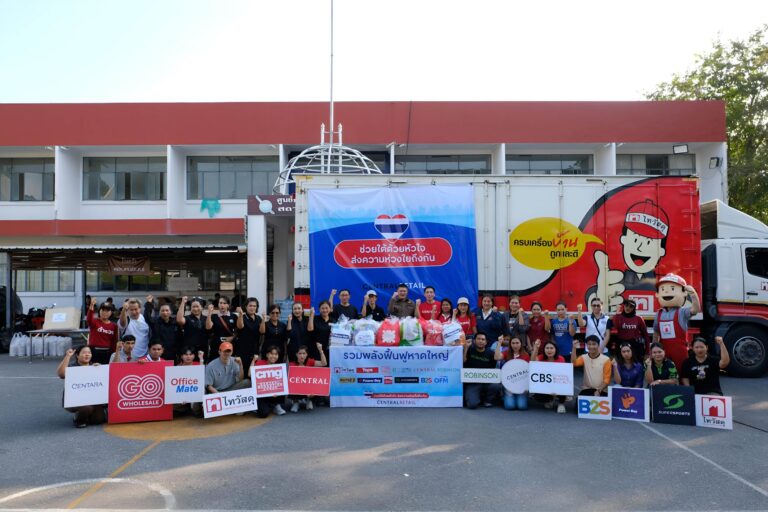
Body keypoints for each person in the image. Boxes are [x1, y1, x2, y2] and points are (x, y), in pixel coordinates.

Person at [652, 273, 701, 370]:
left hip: (680, 352)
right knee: (664, 375)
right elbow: (656, 332)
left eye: (672, 288)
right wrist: (654, 348)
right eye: (662, 289)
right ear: (657, 294)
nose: (666, 292)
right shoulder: (659, 313)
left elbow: (695, 310)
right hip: (663, 351)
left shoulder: (682, 312)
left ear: (683, 293)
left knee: (683, 374)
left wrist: (693, 294)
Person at [56, 346, 106, 428]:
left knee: (98, 420)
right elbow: (61, 374)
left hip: (92, 399)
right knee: (87, 408)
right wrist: (68, 356)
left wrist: (101, 370)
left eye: (89, 353)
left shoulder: (94, 366)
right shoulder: (72, 367)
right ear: (77, 355)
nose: (87, 355)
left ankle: (87, 415)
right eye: (84, 353)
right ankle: (78, 419)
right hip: (74, 400)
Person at [462, 333, 501, 409]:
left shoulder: (490, 353)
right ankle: (477, 396)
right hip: (473, 383)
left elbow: (497, 358)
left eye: (483, 339)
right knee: (472, 405)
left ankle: (487, 400)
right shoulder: (470, 350)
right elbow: (464, 361)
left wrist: (499, 343)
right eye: (478, 339)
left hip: (487, 381)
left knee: (496, 385)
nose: (481, 341)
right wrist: (466, 347)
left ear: (486, 342)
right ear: (474, 341)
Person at [287, 343, 328, 413]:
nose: (302, 356)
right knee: (292, 383)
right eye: (300, 353)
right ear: (296, 354)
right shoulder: (292, 365)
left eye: (304, 353)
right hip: (297, 388)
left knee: (315, 381)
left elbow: (324, 363)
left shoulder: (310, 361)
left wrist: (321, 351)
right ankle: (296, 402)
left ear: (307, 354)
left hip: (309, 389)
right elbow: (291, 383)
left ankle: (309, 400)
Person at [530, 339, 568, 413]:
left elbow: (564, 376)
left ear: (555, 349)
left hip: (558, 383)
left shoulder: (561, 359)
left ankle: (561, 403)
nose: (549, 350)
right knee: (537, 396)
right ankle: (550, 399)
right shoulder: (541, 357)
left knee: (564, 385)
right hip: (546, 384)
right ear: (544, 350)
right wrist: (536, 348)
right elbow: (532, 362)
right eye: (547, 348)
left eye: (551, 348)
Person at [252, 346, 287, 417]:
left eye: (276, 354)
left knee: (282, 383)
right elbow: (250, 374)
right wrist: (253, 360)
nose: (273, 356)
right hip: (261, 395)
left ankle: (276, 405)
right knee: (263, 414)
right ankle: (260, 405)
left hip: (273, 395)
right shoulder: (260, 363)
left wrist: (278, 391)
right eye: (271, 354)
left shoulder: (279, 367)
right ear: (267, 355)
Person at [496, 337, 530, 411]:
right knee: (510, 406)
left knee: (522, 406)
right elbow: (497, 357)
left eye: (517, 343)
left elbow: (528, 372)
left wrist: (526, 388)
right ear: (510, 344)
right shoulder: (506, 352)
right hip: (508, 384)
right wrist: (499, 343)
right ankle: (505, 395)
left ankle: (520, 397)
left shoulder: (525, 355)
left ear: (521, 344)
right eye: (513, 343)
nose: (515, 345)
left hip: (521, 385)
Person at [143, 295, 179, 361]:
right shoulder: (155, 322)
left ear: (171, 312)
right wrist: (149, 303)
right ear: (159, 312)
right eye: (162, 311)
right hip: (158, 354)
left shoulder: (175, 323)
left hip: (172, 353)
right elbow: (147, 317)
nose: (165, 312)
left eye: (167, 310)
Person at [86, 296, 119, 365]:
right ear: (99, 311)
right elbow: (89, 319)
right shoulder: (94, 322)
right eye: (103, 310)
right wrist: (91, 305)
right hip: (94, 351)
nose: (105, 312)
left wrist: (114, 353)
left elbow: (114, 341)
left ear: (111, 313)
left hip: (107, 353)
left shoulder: (114, 326)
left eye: (107, 311)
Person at [235, 297, 261, 377]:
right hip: (242, 350)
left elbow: (261, 332)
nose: (252, 308)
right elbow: (240, 326)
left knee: (253, 374)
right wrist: (240, 314)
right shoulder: (242, 317)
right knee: (243, 373)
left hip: (254, 350)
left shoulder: (258, 318)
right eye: (250, 306)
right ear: (246, 306)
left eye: (254, 306)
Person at [205, 296, 237, 361]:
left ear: (228, 305)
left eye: (224, 303)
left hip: (229, 346)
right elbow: (208, 327)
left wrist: (232, 337)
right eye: (220, 303)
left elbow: (238, 330)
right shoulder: (213, 316)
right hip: (216, 346)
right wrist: (209, 313)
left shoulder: (234, 316)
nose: (222, 305)